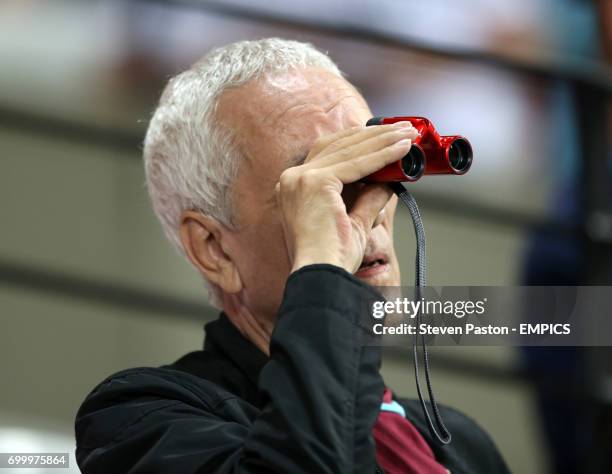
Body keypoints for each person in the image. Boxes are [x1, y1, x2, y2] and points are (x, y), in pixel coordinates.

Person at [75, 38, 509, 473]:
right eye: (318, 189)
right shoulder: (138, 420)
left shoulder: (459, 442)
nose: (365, 213)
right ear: (214, 248)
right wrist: (324, 265)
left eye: (375, 171)